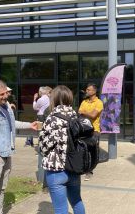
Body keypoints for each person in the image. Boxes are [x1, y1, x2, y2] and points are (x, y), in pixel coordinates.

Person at [0, 79, 37, 214]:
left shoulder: (4, 106)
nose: (5, 96)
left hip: (6, 154)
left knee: (1, 189)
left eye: (6, 93)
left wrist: (29, 125)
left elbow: (11, 122)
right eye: (2, 94)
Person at [39, 85, 85, 214]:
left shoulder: (52, 119)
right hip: (74, 167)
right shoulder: (76, 118)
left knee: (60, 209)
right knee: (77, 201)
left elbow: (44, 146)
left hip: (56, 169)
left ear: (54, 99)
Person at [78, 83, 103, 181]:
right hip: (84, 129)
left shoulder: (99, 102)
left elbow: (93, 115)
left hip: (94, 130)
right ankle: (84, 169)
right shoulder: (84, 101)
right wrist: (86, 113)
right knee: (83, 150)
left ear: (94, 91)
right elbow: (79, 113)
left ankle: (90, 171)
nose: (87, 91)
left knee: (92, 151)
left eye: (89, 90)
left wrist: (84, 113)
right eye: (86, 90)